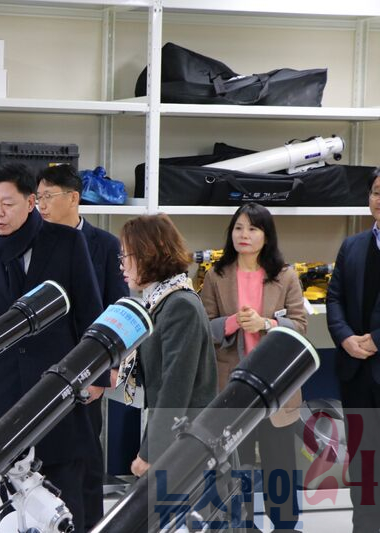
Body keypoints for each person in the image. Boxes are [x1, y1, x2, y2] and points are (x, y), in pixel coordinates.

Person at [0, 162, 104, 531]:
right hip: (3, 386)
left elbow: (90, 312)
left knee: (65, 491)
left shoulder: (67, 242)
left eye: (7, 204)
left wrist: (97, 374)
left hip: (60, 383)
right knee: (8, 491)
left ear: (31, 202)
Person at [35, 164, 134, 526]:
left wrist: (105, 371)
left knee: (87, 458)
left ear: (74, 198)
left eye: (48, 197)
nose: (41, 205)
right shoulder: (33, 241)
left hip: (85, 369)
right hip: (39, 369)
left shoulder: (104, 245)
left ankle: (91, 525)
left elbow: (117, 310)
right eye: (38, 198)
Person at [200, 202, 307, 533]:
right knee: (237, 464)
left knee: (280, 465)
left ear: (266, 236)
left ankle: (285, 525)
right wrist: (232, 322)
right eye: (238, 228)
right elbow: (204, 328)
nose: (243, 235)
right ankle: (242, 524)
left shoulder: (285, 275)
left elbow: (300, 325)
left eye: (252, 228)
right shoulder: (216, 276)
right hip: (233, 389)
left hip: (276, 387)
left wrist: (267, 323)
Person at [118, 214, 217, 476]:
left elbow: (175, 387)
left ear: (148, 253)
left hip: (189, 443)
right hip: (179, 437)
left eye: (126, 256)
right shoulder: (159, 302)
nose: (122, 265)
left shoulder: (180, 305)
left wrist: (151, 453)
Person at [326, 170, 380, 533]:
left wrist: (377, 339)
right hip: (356, 372)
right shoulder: (352, 246)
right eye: (376, 192)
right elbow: (334, 299)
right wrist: (346, 338)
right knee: (363, 461)